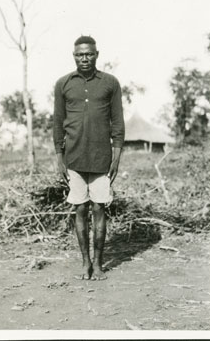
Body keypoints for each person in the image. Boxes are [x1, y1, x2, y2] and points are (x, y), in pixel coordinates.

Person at [53, 35, 125, 280]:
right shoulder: (63, 84)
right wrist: (59, 157)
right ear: (74, 56)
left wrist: (116, 156)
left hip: (101, 157)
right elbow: (57, 123)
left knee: (99, 208)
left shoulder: (110, 83)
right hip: (73, 158)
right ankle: (85, 263)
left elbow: (118, 122)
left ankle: (99, 264)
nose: (84, 58)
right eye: (79, 54)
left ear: (97, 54)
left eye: (89, 54)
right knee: (80, 209)